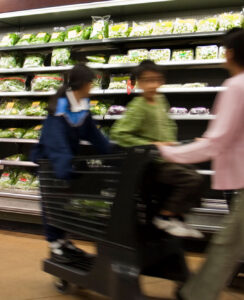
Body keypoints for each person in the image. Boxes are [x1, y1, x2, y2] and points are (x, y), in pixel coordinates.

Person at [157, 28, 244, 300]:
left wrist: (170, 153)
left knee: (226, 245)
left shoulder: (236, 86)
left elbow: (216, 142)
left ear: (229, 53)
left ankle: (195, 295)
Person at [110, 60, 203, 238]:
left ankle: (178, 217)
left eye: (156, 79)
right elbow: (118, 133)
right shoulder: (138, 107)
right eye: (147, 80)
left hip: (168, 158)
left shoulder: (161, 100)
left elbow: (167, 127)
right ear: (139, 82)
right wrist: (152, 144)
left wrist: (180, 144)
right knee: (191, 178)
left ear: (162, 81)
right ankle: (164, 217)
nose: (152, 84)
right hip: (151, 166)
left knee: (195, 174)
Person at [32, 64, 111, 264]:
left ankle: (63, 240)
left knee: (63, 206)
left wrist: (113, 153)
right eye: (91, 83)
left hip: (64, 164)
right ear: (83, 84)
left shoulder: (81, 105)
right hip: (51, 164)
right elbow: (55, 141)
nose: (92, 87)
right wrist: (65, 167)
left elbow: (94, 135)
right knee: (52, 204)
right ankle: (55, 243)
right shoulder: (59, 108)